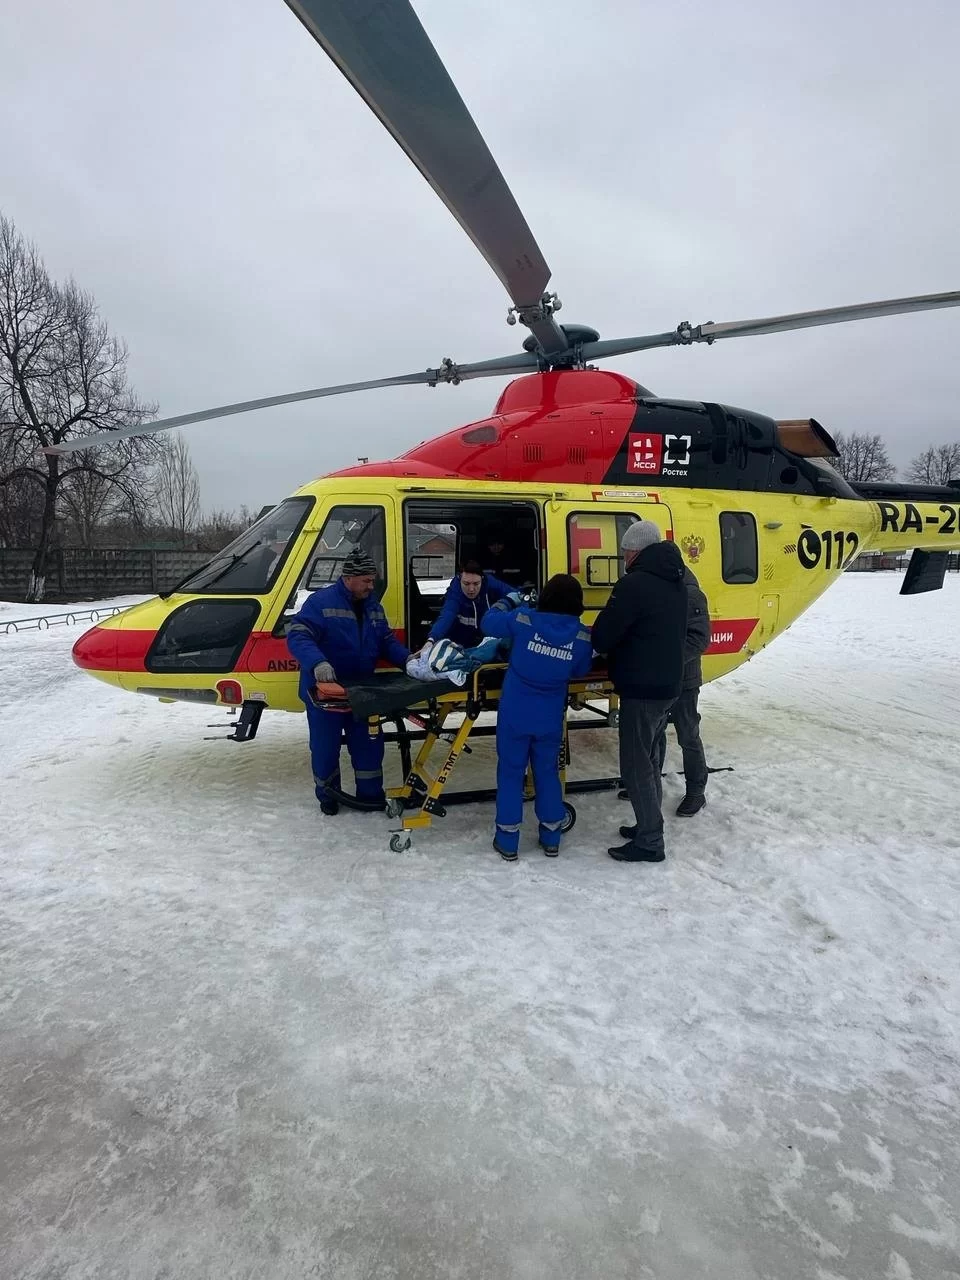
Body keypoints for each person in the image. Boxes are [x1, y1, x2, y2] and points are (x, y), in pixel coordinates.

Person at [286, 549, 409, 815]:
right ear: (349, 578)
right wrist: (318, 663)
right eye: (366, 580)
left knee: (369, 746)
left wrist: (408, 660)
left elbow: (386, 642)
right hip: (326, 693)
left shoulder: (374, 607)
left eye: (372, 580)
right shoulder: (320, 602)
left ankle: (370, 796)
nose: (371, 585)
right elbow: (298, 635)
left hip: (362, 692)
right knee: (325, 748)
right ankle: (328, 796)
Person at [591, 520, 686, 863]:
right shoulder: (677, 580)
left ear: (635, 551)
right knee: (650, 759)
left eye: (625, 552)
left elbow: (604, 635)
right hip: (667, 685)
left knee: (636, 766)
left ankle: (650, 840)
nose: (624, 558)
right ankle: (648, 824)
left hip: (642, 688)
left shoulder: (633, 584)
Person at [481, 574, 593, 861]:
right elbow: (580, 670)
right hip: (549, 719)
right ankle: (551, 837)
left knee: (510, 773)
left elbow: (488, 622)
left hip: (515, 715)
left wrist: (509, 600)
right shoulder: (581, 636)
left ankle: (507, 840)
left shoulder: (524, 620)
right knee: (547, 773)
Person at [656, 566, 711, 815]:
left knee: (688, 735)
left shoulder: (691, 594)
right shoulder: (660, 587)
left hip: (684, 681)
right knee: (654, 732)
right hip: (660, 678)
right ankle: (651, 783)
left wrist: (668, 660)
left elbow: (699, 639)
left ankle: (696, 792)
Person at [427, 560, 513, 649]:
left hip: (489, 640)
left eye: (476, 584)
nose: (471, 589)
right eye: (466, 584)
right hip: (460, 641)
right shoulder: (455, 592)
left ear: (482, 579)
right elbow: (447, 614)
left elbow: (516, 595)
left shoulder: (491, 584)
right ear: (459, 579)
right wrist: (431, 639)